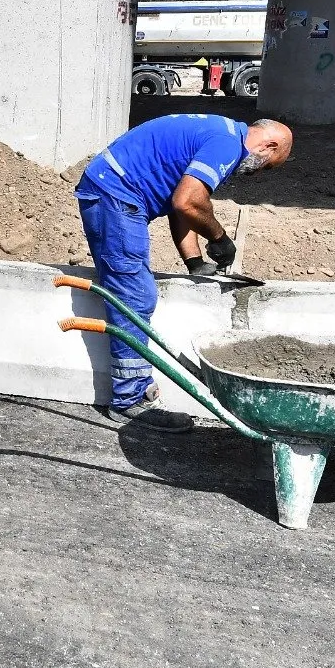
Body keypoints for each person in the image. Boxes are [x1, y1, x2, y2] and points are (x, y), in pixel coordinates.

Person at [75, 114, 293, 432]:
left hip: (113, 189)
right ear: (269, 145)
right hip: (115, 195)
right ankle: (130, 399)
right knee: (135, 295)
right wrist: (219, 238)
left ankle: (131, 394)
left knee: (135, 292)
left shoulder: (221, 132)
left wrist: (194, 261)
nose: (260, 173)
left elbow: (181, 205)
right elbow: (188, 202)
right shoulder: (226, 145)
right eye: (269, 165)